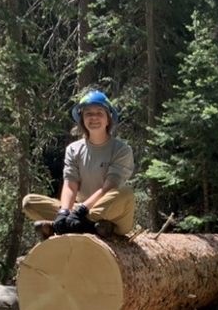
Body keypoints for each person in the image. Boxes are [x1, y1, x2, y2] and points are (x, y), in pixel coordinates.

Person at [22, 90, 135, 238]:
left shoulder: (121, 150)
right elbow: (70, 185)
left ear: (108, 119)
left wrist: (82, 210)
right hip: (80, 213)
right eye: (88, 113)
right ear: (82, 119)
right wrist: (64, 212)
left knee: (125, 193)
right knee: (29, 202)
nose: (94, 117)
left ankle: (71, 225)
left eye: (99, 113)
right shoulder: (73, 149)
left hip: (112, 214)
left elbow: (108, 188)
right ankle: (85, 227)